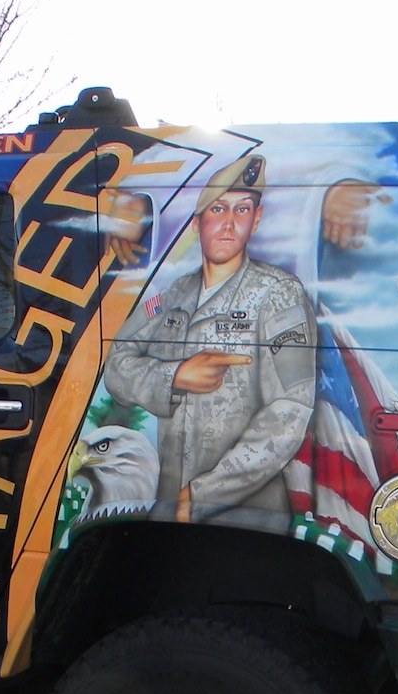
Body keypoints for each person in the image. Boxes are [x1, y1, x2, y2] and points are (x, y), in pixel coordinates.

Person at [104, 154, 321, 521]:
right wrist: (174, 377)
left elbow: (291, 408)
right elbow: (116, 364)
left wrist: (208, 491)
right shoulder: (172, 296)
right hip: (171, 509)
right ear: (196, 222)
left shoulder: (279, 294)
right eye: (218, 209)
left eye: (242, 209)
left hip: (246, 516)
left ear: (257, 219)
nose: (229, 224)